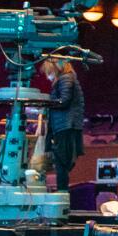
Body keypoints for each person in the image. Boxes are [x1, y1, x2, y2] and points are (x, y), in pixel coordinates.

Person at [41, 57, 84, 192]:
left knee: (61, 163)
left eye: (49, 71)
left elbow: (64, 101)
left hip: (65, 125)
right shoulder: (66, 79)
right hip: (64, 125)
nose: (47, 76)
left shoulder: (66, 78)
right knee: (61, 163)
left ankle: (62, 193)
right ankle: (61, 193)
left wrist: (46, 103)